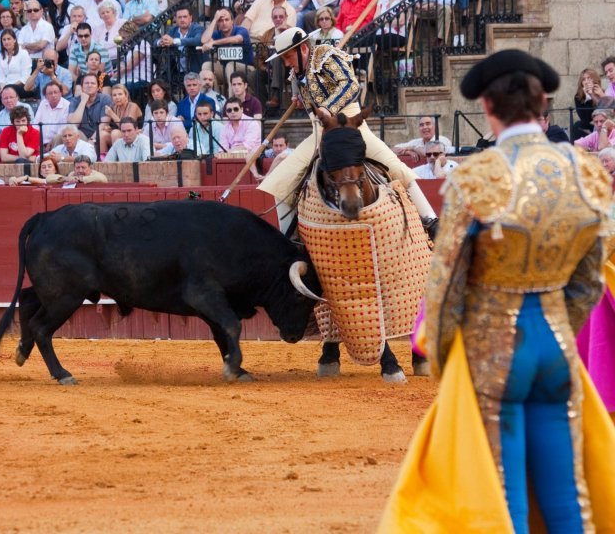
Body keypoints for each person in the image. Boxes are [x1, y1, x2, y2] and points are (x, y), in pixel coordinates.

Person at [380, 49, 615, 532]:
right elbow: (593, 270)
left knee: (502, 490)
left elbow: (444, 283)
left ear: (487, 108)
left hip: (495, 351)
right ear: (541, 105)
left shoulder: (477, 178)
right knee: (566, 491)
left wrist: (444, 360)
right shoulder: (584, 170)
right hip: (556, 343)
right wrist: (561, 323)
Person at [259, 27, 436, 236]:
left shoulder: (326, 55)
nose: (286, 62)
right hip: (320, 133)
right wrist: (302, 102)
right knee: (281, 181)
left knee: (394, 167)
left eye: (288, 56)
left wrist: (328, 107)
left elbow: (350, 85)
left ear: (303, 49)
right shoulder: (297, 73)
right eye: (284, 59)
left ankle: (432, 221)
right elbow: (315, 96)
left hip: (351, 122)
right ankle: (291, 242)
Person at [201, 9, 254, 91]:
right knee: (207, 65)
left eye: (227, 20)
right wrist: (215, 19)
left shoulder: (241, 30)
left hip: (246, 69)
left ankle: (232, 100)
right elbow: (204, 40)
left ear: (232, 21)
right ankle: (215, 99)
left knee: (230, 65)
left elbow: (237, 39)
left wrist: (214, 42)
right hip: (225, 70)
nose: (224, 23)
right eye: (221, 21)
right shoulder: (217, 34)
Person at [67, 73, 112, 152]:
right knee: (69, 134)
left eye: (93, 83)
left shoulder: (105, 98)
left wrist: (92, 139)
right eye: (86, 83)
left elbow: (104, 123)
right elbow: (73, 124)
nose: (89, 85)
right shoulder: (75, 100)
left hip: (98, 134)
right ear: (82, 87)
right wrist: (83, 101)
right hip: (82, 135)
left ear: (98, 87)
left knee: (101, 135)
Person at [155, 6, 205, 74]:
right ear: (175, 19)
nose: (182, 20)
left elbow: (198, 40)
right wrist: (161, 42)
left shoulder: (197, 28)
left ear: (190, 18)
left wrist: (174, 41)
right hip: (176, 72)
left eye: (185, 17)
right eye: (179, 17)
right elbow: (155, 42)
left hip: (195, 72)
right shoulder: (173, 30)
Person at [33, 81, 70, 148]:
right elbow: (36, 124)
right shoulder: (43, 103)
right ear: (46, 96)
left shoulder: (67, 105)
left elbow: (63, 129)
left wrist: (52, 142)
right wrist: (36, 140)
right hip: (40, 142)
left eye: (55, 92)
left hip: (58, 143)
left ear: (61, 93)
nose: (53, 95)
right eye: (50, 93)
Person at [573, 68, 604, 141]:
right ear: (581, 83)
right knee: (577, 125)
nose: (586, 82)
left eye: (589, 78)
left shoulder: (602, 92)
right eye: (584, 79)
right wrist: (588, 98)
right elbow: (585, 120)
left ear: (594, 79)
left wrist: (594, 96)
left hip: (601, 124)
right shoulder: (578, 97)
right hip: (588, 126)